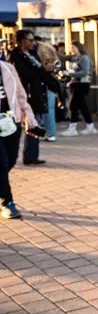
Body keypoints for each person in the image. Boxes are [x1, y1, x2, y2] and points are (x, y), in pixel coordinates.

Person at [0, 57, 40, 219]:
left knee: (10, 160)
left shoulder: (8, 68)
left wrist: (30, 119)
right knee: (1, 163)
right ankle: (7, 202)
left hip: (11, 123)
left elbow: (21, 96)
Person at [8, 30, 53, 165]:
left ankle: (32, 155)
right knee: (31, 122)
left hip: (38, 92)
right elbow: (23, 73)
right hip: (26, 93)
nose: (32, 43)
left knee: (36, 122)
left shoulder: (33, 54)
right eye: (29, 40)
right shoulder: (15, 55)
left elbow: (39, 71)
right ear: (21, 40)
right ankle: (29, 156)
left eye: (33, 40)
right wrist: (43, 69)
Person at [60, 41, 97, 136]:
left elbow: (84, 72)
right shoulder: (75, 58)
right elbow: (63, 57)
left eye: (73, 48)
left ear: (79, 48)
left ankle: (72, 128)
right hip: (76, 84)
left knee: (73, 105)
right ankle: (90, 127)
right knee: (82, 106)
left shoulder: (84, 58)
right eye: (71, 48)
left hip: (82, 84)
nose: (72, 50)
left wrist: (70, 74)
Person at [35, 41, 60, 141]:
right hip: (50, 85)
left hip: (39, 85)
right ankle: (51, 133)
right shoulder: (53, 57)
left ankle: (39, 132)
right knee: (49, 110)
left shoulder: (36, 58)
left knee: (37, 110)